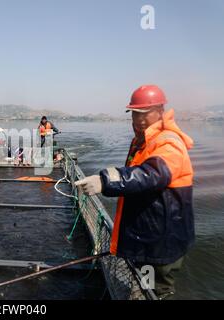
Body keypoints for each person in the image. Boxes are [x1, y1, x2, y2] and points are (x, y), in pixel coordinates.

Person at [75, 85, 194, 300]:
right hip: (148, 237)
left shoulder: (169, 143)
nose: (138, 120)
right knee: (143, 284)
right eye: (134, 114)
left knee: (157, 292)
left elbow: (151, 174)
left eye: (144, 113)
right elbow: (137, 176)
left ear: (160, 110)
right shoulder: (143, 141)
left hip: (160, 244)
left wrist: (105, 181)